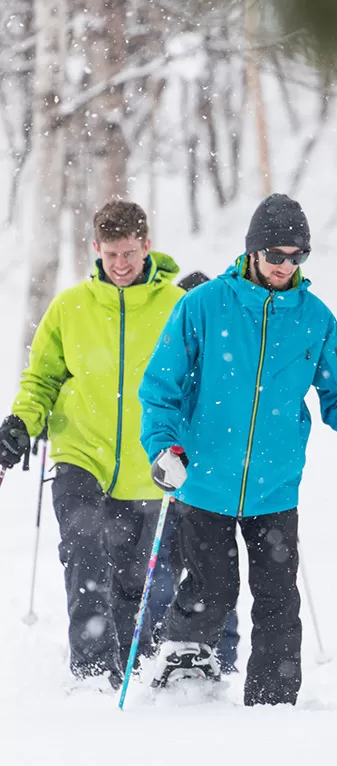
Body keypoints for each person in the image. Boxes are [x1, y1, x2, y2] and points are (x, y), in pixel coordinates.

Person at [138, 193, 337, 706]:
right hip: (204, 478)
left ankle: (274, 701)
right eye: (276, 255)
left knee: (278, 598)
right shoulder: (204, 306)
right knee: (212, 588)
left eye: (297, 256)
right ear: (253, 252)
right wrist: (164, 446)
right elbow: (160, 388)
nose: (285, 266)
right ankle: (181, 658)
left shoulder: (314, 318)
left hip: (275, 484)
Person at [0, 200, 184, 689]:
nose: (120, 265)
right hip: (81, 451)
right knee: (85, 554)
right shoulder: (70, 307)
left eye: (129, 253)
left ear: (147, 246)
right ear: (95, 249)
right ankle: (91, 671)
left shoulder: (176, 308)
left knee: (134, 580)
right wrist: (20, 422)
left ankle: (134, 668)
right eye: (110, 254)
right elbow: (41, 378)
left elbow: (198, 381)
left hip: (148, 464)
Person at [146, 269, 241, 674]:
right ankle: (163, 650)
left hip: (211, 484)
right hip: (172, 477)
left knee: (213, 573)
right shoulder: (171, 343)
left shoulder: (229, 350)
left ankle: (222, 652)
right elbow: (155, 400)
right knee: (166, 570)